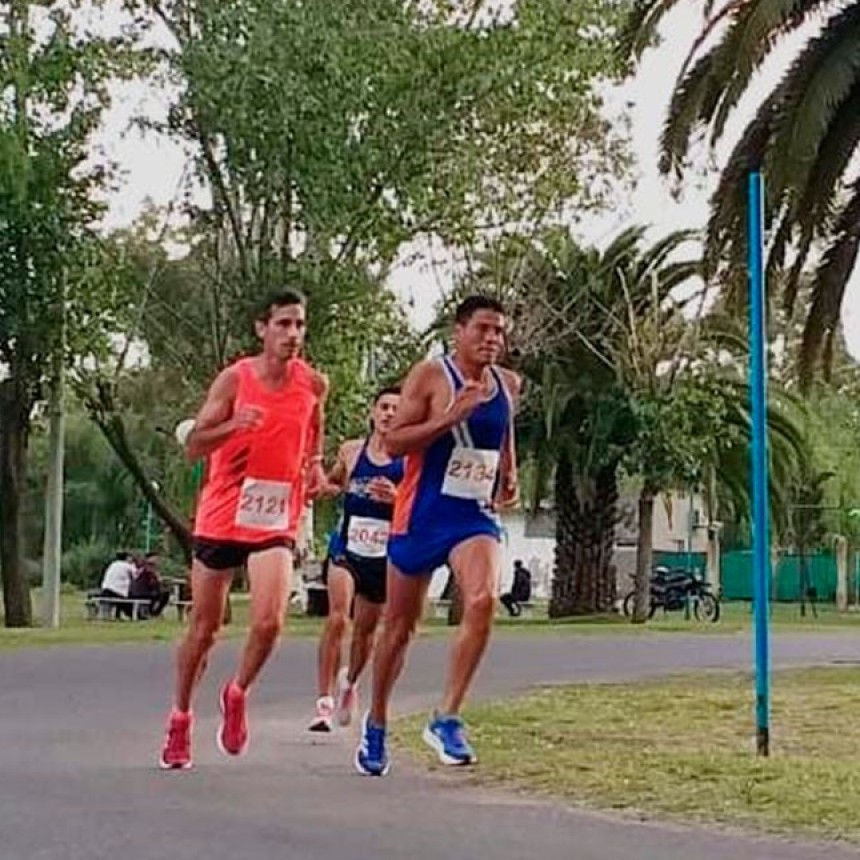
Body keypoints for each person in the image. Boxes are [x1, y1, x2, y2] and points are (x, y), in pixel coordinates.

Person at [158, 289, 328, 771]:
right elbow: (194, 447)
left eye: (299, 325)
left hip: (275, 515)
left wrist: (314, 466)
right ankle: (181, 716)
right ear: (262, 328)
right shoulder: (235, 379)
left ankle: (237, 692)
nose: (293, 334)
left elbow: (315, 427)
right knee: (206, 628)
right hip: (223, 513)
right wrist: (233, 424)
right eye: (283, 324)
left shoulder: (314, 384)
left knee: (270, 621)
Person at [355, 295, 520, 777]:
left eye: (499, 332)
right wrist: (451, 415)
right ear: (459, 331)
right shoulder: (429, 377)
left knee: (484, 598)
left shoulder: (507, 384)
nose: (492, 339)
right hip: (420, 513)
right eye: (483, 329)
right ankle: (377, 722)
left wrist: (509, 474)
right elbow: (394, 442)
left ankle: (447, 717)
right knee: (400, 628)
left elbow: (504, 433)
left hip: (471, 514)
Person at [309, 387, 403, 732]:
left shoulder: (411, 459)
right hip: (346, 548)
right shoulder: (351, 451)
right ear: (373, 412)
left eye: (397, 408)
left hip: (383, 556)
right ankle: (323, 702)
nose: (390, 414)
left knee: (365, 633)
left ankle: (350, 683)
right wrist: (322, 488)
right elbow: (334, 482)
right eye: (384, 407)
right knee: (337, 619)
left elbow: (419, 506)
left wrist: (397, 497)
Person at [129, 552, 171, 618]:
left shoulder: (142, 567)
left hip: (136, 592)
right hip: (142, 593)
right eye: (157, 558)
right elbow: (152, 583)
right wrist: (159, 580)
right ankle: (154, 613)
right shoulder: (149, 568)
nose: (158, 560)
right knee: (165, 594)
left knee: (158, 593)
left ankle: (152, 612)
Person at [99, 551, 137, 619]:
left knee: (122, 596)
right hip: (117, 591)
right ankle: (131, 615)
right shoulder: (128, 566)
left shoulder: (113, 564)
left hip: (105, 589)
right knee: (127, 601)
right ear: (127, 558)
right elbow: (136, 576)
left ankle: (116, 614)